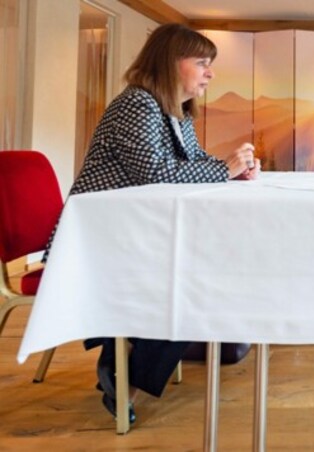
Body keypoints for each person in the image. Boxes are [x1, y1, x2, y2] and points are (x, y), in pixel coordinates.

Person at [62, 23, 260, 423]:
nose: (211, 73)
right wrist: (225, 169)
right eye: (202, 62)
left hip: (135, 229)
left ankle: (127, 362)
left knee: (205, 271)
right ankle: (127, 371)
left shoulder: (174, 111)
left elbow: (192, 163)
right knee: (199, 277)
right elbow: (154, 171)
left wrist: (233, 168)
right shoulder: (138, 104)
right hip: (101, 237)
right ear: (170, 63)